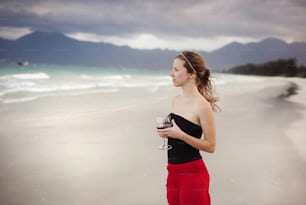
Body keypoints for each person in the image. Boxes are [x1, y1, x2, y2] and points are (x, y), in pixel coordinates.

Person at [157, 50, 219, 205]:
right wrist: (167, 134)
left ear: (191, 74)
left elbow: (211, 146)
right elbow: (176, 133)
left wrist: (180, 135)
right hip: (172, 173)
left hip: (192, 175)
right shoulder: (175, 100)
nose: (171, 74)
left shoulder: (203, 106)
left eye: (176, 70)